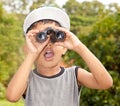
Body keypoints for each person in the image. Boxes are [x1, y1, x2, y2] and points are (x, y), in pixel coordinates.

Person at [6, 6, 113, 106]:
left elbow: (105, 83)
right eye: (41, 37)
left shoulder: (74, 75)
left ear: (64, 48)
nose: (48, 44)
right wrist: (32, 53)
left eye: (54, 37)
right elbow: (12, 97)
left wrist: (79, 47)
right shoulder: (27, 79)